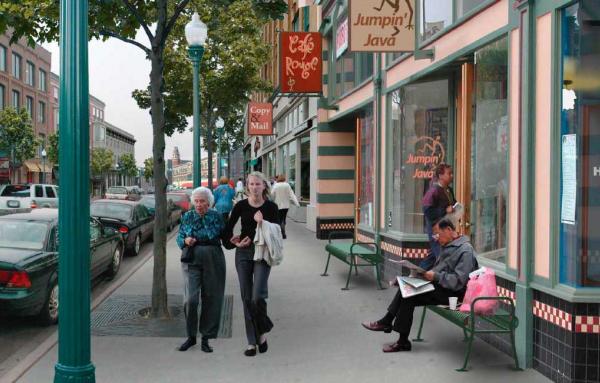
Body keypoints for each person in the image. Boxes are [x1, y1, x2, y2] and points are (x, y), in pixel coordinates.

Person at [361, 217, 478, 352]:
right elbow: (437, 269)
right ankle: (396, 334)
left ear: (449, 230)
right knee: (407, 290)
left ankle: (392, 329)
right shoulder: (447, 245)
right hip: (442, 287)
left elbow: (459, 281)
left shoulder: (465, 250)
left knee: (409, 293)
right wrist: (419, 274)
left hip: (454, 295)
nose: (436, 238)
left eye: (438, 234)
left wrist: (435, 276)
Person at [223, 171, 279, 357]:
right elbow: (227, 230)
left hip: (262, 252)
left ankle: (262, 331)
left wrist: (262, 223)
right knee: (247, 297)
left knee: (258, 296)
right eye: (251, 184)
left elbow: (279, 232)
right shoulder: (240, 206)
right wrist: (235, 242)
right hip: (244, 253)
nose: (254, 187)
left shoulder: (271, 207)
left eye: (258, 184)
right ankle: (251, 342)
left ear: (264, 186)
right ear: (247, 186)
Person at [176, 187, 226, 353]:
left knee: (211, 298)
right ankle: (191, 336)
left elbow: (220, 236)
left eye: (202, 201)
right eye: (196, 201)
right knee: (191, 300)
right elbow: (179, 237)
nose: (198, 204)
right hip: (192, 260)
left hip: (213, 258)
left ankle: (206, 338)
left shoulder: (217, 216)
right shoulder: (187, 216)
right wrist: (185, 239)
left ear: (209, 202)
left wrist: (236, 241)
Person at [420, 163, 456, 271]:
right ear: (440, 176)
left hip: (445, 229)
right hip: (436, 230)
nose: (451, 176)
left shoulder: (449, 190)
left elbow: (452, 204)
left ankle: (415, 275)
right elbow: (427, 210)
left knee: (432, 257)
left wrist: (455, 208)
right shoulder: (433, 191)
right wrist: (445, 210)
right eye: (449, 173)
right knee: (442, 257)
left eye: (452, 173)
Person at [270, 174, 299, 239]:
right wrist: (297, 203)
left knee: (279, 219)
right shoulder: (287, 185)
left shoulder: (276, 185)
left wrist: (271, 201)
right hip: (286, 205)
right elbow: (292, 195)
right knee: (283, 218)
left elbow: (272, 195)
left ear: (278, 179)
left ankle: (280, 232)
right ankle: (283, 232)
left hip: (278, 205)